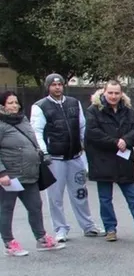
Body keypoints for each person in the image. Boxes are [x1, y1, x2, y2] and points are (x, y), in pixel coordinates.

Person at [85, 81, 134, 241]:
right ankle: (110, 229)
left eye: (117, 93)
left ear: (121, 94)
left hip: (124, 161)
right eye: (110, 93)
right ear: (104, 93)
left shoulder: (129, 111)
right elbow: (93, 133)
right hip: (103, 161)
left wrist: (125, 141)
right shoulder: (93, 111)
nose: (114, 96)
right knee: (105, 199)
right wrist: (115, 142)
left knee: (133, 197)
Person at [30, 73, 101, 241]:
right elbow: (37, 132)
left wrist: (87, 147)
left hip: (75, 156)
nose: (57, 87)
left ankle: (88, 225)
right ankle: (61, 228)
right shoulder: (40, 107)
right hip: (55, 158)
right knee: (55, 196)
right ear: (48, 87)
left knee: (80, 193)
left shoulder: (74, 103)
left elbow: (82, 127)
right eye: (53, 85)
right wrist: (44, 152)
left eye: (60, 84)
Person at [0, 91, 65, 256]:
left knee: (35, 206)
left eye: (16, 102)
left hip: (30, 173)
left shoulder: (23, 120)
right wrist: (2, 173)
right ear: (2, 105)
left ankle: (42, 238)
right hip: (11, 176)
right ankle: (9, 243)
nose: (15, 106)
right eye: (10, 103)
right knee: (7, 209)